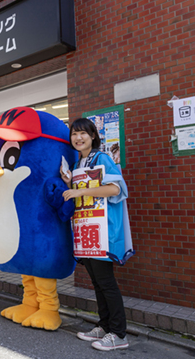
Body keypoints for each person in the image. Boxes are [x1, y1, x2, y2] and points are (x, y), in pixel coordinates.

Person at [60, 118, 129, 352]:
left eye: (82, 134)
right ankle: (104, 325)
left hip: (101, 230)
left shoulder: (102, 158)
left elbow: (116, 189)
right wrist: (71, 182)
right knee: (97, 282)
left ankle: (118, 333)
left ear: (93, 136)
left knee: (106, 282)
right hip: (85, 229)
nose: (78, 138)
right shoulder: (79, 163)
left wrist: (80, 190)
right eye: (74, 135)